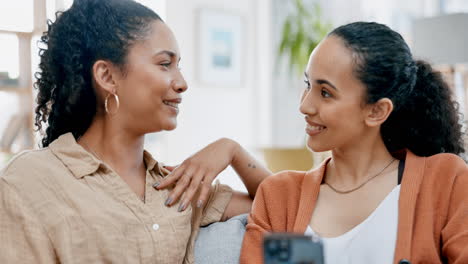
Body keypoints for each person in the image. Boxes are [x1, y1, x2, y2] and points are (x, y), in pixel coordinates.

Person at [0, 0, 270, 263]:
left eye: (179, 66)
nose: (182, 83)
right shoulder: (30, 179)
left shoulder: (178, 187)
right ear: (107, 76)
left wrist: (230, 149)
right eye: (165, 64)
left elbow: (286, 208)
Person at [240, 21, 468, 264]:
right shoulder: (279, 195)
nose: (304, 105)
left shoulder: (446, 180)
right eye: (308, 84)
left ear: (377, 111)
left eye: (326, 93)